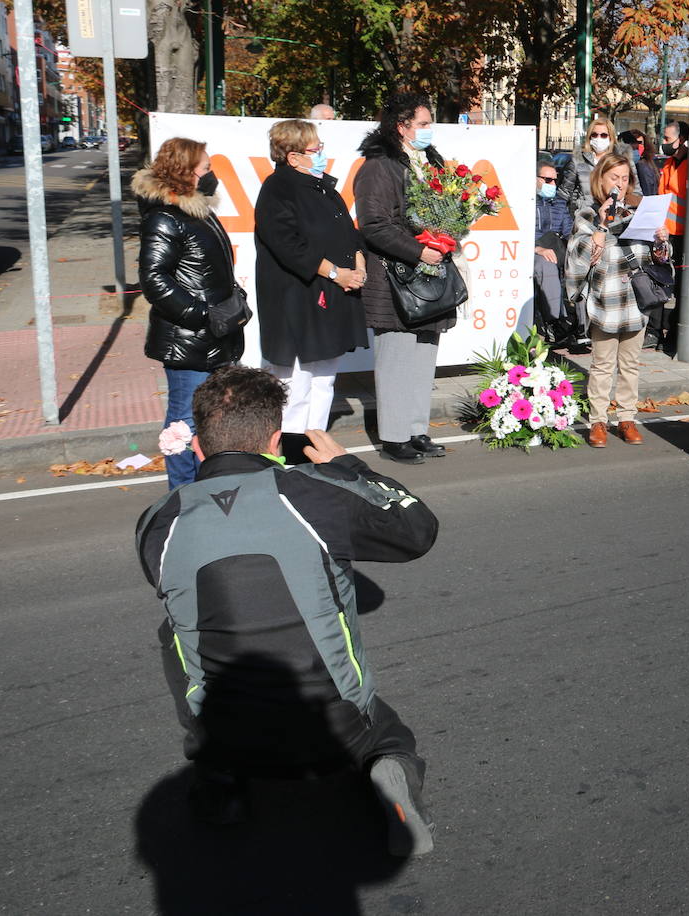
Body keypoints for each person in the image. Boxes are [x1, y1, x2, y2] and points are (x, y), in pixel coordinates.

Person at [135, 366, 439, 856]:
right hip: (336, 728)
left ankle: (218, 782)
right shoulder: (317, 494)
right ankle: (386, 768)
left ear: (196, 448)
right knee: (389, 739)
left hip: (227, 730)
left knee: (172, 629)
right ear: (276, 440)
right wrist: (350, 468)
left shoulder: (156, 521)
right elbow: (417, 530)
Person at [134, 137, 245, 488]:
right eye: (206, 168)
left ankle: (208, 488)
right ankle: (182, 496)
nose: (211, 174)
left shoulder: (197, 211)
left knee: (213, 422)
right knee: (183, 424)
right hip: (189, 342)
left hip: (215, 337)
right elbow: (154, 280)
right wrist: (200, 315)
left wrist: (232, 300)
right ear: (186, 172)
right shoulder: (165, 217)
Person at [354, 92, 458, 465]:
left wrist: (448, 236)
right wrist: (418, 250)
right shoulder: (378, 166)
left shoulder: (430, 160)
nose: (430, 130)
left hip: (430, 276)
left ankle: (416, 430)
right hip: (395, 278)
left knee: (422, 358)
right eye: (424, 123)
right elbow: (374, 225)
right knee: (396, 358)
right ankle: (394, 437)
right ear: (402, 126)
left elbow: (451, 209)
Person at [253, 119, 367, 453]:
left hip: (330, 296)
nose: (322, 154)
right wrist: (336, 273)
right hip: (297, 298)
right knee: (296, 382)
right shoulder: (277, 189)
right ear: (293, 156)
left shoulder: (322, 187)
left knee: (324, 377)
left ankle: (315, 443)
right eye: (315, 149)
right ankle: (290, 449)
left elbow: (349, 232)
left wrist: (358, 261)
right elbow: (289, 246)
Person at [564, 151, 670, 448]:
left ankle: (626, 418)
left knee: (631, 364)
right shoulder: (586, 213)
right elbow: (579, 258)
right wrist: (600, 225)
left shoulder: (639, 211)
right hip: (605, 300)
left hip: (635, 300)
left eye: (625, 178)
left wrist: (661, 243)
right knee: (602, 365)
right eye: (615, 177)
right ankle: (598, 421)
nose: (620, 183)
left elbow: (656, 260)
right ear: (601, 179)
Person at [653, 119, 689, 348]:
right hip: (665, 233)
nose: (664, 143)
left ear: (682, 140)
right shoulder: (668, 164)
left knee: (683, 288)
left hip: (685, 235)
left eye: (667, 139)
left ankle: (675, 335)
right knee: (659, 282)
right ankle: (656, 332)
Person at [532, 159, 574, 343]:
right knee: (546, 263)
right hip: (532, 252)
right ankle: (555, 320)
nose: (553, 185)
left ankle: (581, 327)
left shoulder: (558, 203)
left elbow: (569, 231)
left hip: (555, 250)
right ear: (534, 179)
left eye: (555, 180)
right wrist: (537, 248)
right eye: (548, 180)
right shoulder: (526, 201)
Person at [557, 116, 637, 211]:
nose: (598, 138)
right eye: (594, 135)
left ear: (611, 137)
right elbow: (563, 195)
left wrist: (624, 212)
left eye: (603, 135)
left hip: (616, 218)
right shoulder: (578, 160)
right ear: (589, 137)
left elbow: (636, 193)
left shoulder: (624, 159)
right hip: (587, 218)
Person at [621, 129, 660, 197]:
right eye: (634, 142)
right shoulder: (628, 165)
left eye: (640, 143)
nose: (637, 146)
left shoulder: (644, 165)